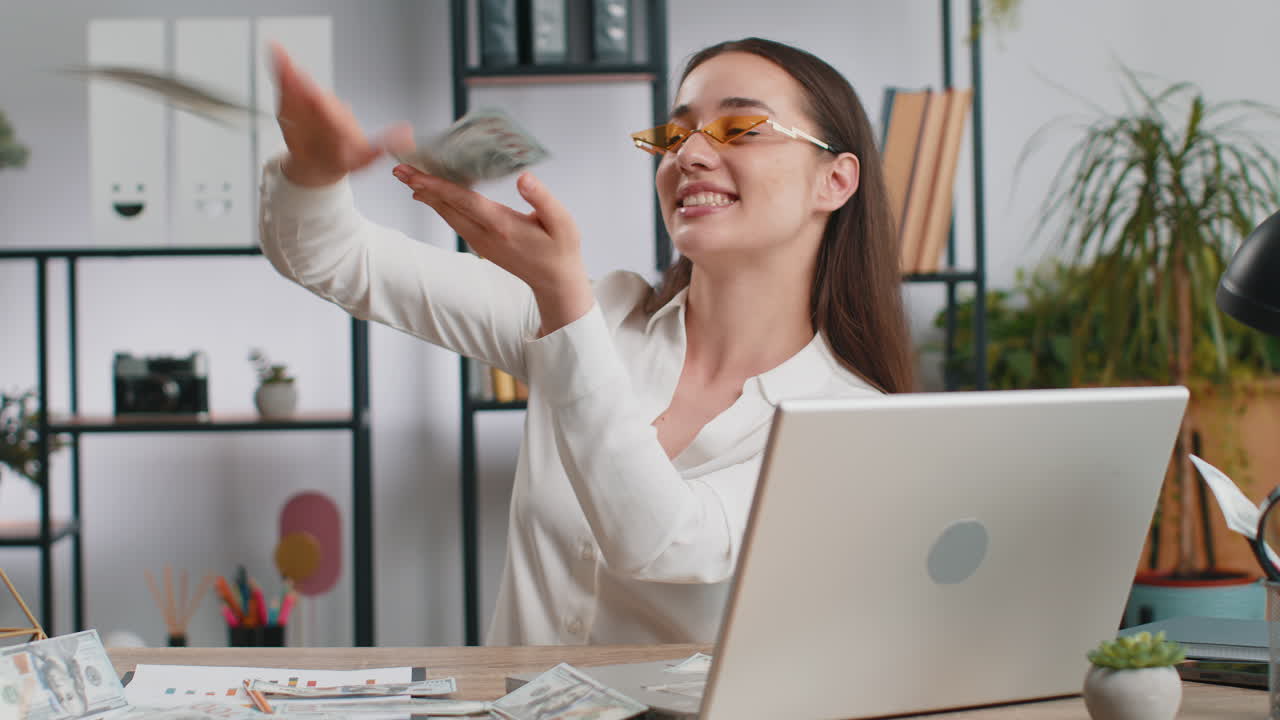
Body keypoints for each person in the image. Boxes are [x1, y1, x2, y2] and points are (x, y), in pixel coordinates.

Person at [259, 37, 915, 646]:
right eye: (675, 133)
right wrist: (311, 172)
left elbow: (664, 542)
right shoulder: (600, 313)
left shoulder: (849, 424)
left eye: (740, 127)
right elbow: (331, 256)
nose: (687, 155)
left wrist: (565, 304)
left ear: (836, 181)